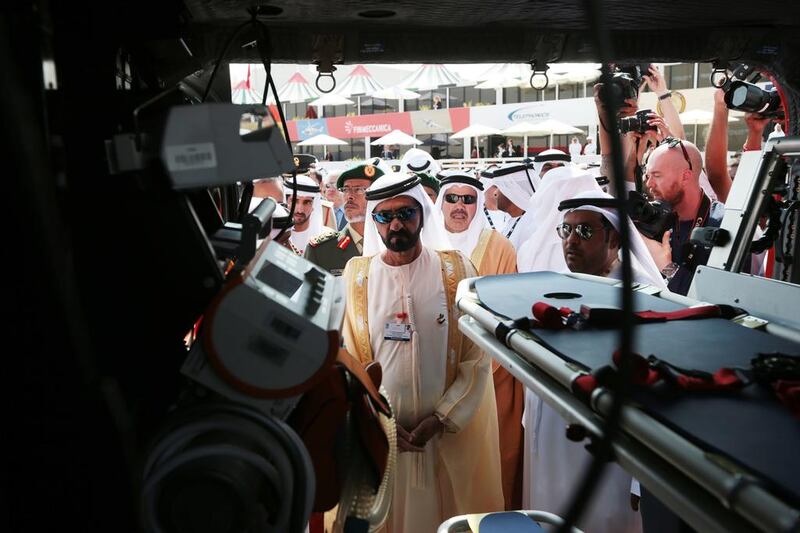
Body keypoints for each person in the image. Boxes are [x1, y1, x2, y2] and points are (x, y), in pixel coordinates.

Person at [341, 172, 504, 532]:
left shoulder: (457, 270)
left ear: (422, 215)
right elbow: (350, 361)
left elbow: (477, 358)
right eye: (384, 216)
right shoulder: (356, 276)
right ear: (375, 222)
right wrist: (381, 423)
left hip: (445, 438)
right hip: (386, 440)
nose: (396, 223)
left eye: (406, 213)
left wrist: (443, 417)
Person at [521, 191, 665, 533]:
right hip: (551, 448)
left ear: (614, 237)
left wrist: (637, 482)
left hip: (607, 461)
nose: (571, 241)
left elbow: (654, 391)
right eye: (566, 231)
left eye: (584, 232)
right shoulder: (555, 287)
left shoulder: (641, 300)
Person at [435, 170, 522, 510]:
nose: (459, 206)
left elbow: (508, 315)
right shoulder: (426, 243)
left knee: (486, 464)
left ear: (477, 203)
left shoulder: (499, 246)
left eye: (468, 199)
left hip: (489, 375)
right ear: (440, 203)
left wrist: (476, 372)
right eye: (452, 198)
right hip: (432, 376)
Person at [643, 138, 725, 295]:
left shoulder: (725, 223)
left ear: (686, 176)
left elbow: (721, 299)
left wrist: (667, 267)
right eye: (648, 176)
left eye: (657, 175)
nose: (649, 184)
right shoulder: (654, 218)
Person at [304, 161, 384, 275]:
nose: (349, 196)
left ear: (377, 196)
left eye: (359, 189)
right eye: (346, 189)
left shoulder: (391, 245)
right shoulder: (321, 250)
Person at [283, 174, 326, 255]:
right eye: (295, 201)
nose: (300, 210)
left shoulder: (325, 239)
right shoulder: (275, 237)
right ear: (286, 202)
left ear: (314, 205)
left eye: (307, 202)